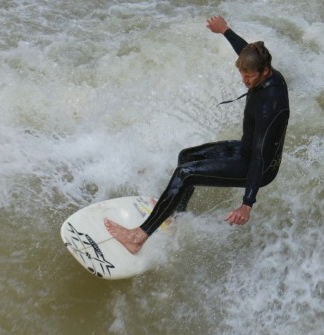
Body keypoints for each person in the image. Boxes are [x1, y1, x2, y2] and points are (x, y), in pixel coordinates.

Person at [104, 15, 290, 254]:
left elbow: (260, 156)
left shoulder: (270, 104)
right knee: (187, 157)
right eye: (242, 74)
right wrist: (225, 30)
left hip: (259, 166)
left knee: (185, 174)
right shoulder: (261, 65)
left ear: (265, 72)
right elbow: (246, 51)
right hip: (247, 148)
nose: (244, 81)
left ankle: (137, 238)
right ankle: (173, 216)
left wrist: (247, 203)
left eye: (249, 76)